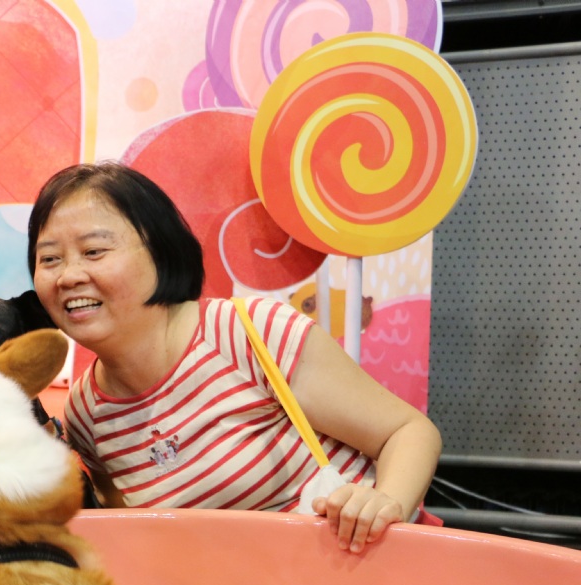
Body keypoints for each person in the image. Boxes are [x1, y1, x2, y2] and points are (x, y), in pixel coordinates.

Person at [28, 161, 442, 554]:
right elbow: (135, 536)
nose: (68, 276)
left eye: (94, 251)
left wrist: (385, 502)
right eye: (49, 259)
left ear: (160, 252)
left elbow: (407, 431)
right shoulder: (86, 413)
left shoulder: (249, 334)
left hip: (363, 578)